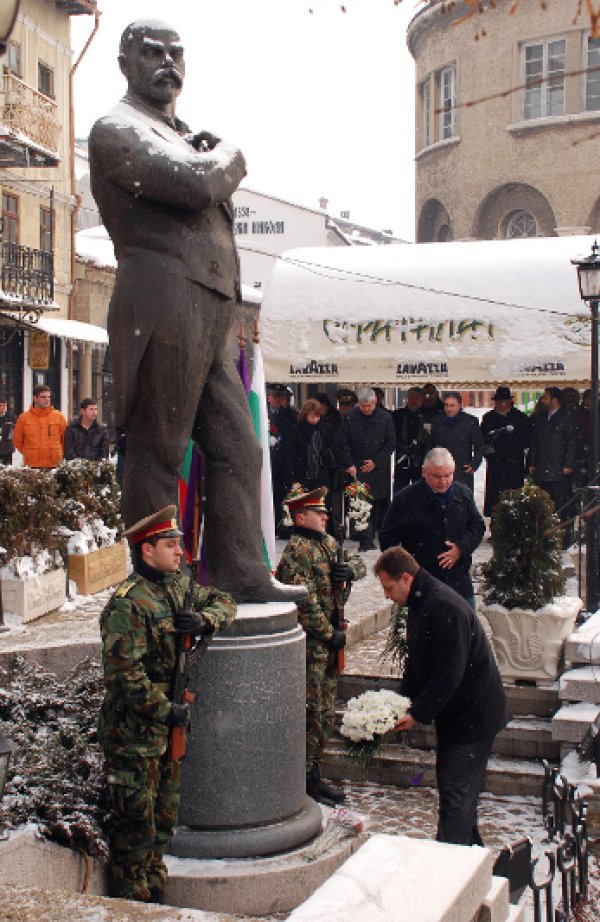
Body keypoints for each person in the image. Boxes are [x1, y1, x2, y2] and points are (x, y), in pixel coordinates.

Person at [89, 21, 302, 603]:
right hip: (162, 298)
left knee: (238, 444)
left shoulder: (177, 132)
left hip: (209, 307)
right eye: (152, 53)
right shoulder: (115, 129)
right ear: (126, 62)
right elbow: (195, 184)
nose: (167, 63)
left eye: (175, 53)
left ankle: (240, 573)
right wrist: (232, 153)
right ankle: (157, 588)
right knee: (160, 447)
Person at [99, 505, 236, 902]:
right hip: (135, 735)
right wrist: (166, 711)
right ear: (146, 550)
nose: (180, 552)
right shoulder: (128, 604)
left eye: (179, 544)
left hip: (167, 728)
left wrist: (206, 620)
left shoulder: (178, 587)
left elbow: (225, 601)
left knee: (162, 823)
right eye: (171, 544)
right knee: (135, 832)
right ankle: (132, 903)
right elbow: (123, 676)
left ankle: (154, 894)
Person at [374, 547, 511, 846]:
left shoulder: (443, 606)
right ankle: (471, 859)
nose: (386, 596)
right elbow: (418, 661)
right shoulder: (422, 601)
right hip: (459, 715)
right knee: (458, 794)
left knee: (456, 797)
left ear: (406, 578)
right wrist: (400, 703)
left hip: (473, 716)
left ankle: (451, 865)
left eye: (388, 587)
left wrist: (417, 714)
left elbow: (448, 674)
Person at [275, 487, 366, 806]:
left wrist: (350, 569)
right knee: (312, 714)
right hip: (312, 647)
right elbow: (304, 602)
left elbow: (358, 562)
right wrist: (329, 633)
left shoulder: (326, 543)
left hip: (327, 646)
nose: (326, 516)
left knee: (325, 713)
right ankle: (303, 781)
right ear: (300, 517)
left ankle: (314, 776)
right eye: (319, 513)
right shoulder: (298, 551)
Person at [379, 447, 485, 607]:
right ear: (424, 472)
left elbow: (477, 526)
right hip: (422, 582)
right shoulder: (406, 499)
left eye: (448, 475)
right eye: (436, 476)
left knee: (467, 628)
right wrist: (406, 569)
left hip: (459, 580)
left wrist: (461, 548)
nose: (443, 482)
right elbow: (388, 538)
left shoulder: (463, 494)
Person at [335, 387, 396, 552]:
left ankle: (371, 536)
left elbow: (391, 443)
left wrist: (375, 462)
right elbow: (342, 443)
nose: (367, 409)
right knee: (358, 503)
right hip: (356, 468)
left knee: (376, 504)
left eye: (370, 406)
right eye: (363, 406)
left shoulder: (385, 417)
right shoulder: (349, 417)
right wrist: (349, 464)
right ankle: (363, 538)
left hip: (377, 469)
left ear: (375, 402)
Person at [529, 386, 577, 540]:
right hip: (543, 468)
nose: (543, 400)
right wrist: (532, 462)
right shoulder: (542, 417)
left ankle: (562, 536)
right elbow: (535, 442)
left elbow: (572, 442)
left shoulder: (567, 417)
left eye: (546, 397)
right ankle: (545, 536)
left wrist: (569, 464)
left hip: (559, 469)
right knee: (543, 505)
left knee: (560, 504)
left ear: (555, 399)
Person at [481, 386, 531, 517]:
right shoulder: (489, 418)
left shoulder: (520, 418)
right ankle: (495, 526)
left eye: (504, 401)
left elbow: (526, 440)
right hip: (495, 465)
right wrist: (488, 452)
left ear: (510, 402)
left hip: (514, 465)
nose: (501, 405)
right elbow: (482, 440)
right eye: (498, 402)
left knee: (514, 500)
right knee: (495, 500)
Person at [429, 392, 484, 492]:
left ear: (459, 405)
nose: (449, 409)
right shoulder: (437, 421)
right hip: (440, 469)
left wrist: (474, 464)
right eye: (446, 405)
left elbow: (479, 446)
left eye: (452, 405)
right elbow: (430, 445)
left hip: (462, 470)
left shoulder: (470, 421)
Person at [281, 398, 335, 495]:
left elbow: (332, 450)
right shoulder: (295, 431)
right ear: (305, 415)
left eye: (317, 416)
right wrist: (291, 479)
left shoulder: (327, 429)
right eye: (312, 417)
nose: (315, 420)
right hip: (301, 475)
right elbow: (290, 456)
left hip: (321, 475)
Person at [12, 384, 67, 468]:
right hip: (32, 464)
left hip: (54, 464)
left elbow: (65, 439)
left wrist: (58, 452)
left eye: (49, 397)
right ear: (35, 398)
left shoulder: (59, 417)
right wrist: (29, 452)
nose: (47, 400)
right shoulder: (24, 418)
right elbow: (17, 440)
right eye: (43, 397)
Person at [392, 386, 426, 493]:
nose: (413, 401)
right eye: (411, 398)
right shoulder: (398, 415)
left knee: (421, 495)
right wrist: (402, 447)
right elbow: (391, 436)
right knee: (400, 495)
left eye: (416, 398)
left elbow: (430, 438)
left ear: (422, 400)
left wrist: (419, 448)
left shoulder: (427, 416)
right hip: (402, 460)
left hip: (421, 462)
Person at [0, 398, 15, 465]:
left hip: (7, 447)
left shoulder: (11, 416)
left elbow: (17, 427)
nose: (3, 408)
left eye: (5, 405)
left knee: (7, 467)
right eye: (1, 405)